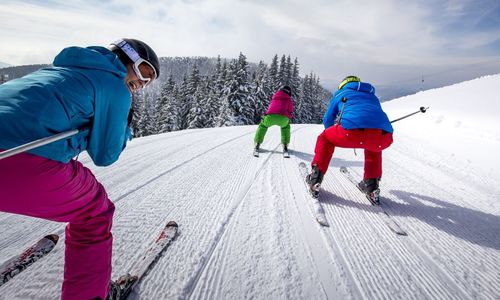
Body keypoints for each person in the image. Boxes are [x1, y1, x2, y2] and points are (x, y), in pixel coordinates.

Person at [0, 38, 160, 299]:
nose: (142, 84)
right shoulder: (114, 85)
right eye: (144, 72)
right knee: (94, 212)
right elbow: (105, 155)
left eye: (149, 82)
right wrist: (123, 126)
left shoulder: (56, 70)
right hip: (19, 159)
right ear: (125, 57)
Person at [306, 76, 393, 199]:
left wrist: (334, 131)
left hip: (351, 132)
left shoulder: (340, 93)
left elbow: (327, 119)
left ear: (343, 85)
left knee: (325, 137)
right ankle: (371, 185)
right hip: (384, 137)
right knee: (373, 146)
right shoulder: (373, 96)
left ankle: (315, 178)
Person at [254, 85, 294, 153]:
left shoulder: (274, 97)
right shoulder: (289, 100)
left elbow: (271, 108)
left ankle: (257, 143)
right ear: (289, 93)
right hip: (283, 118)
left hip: (270, 117)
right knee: (285, 127)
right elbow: (290, 111)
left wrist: (266, 115)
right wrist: (288, 117)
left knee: (263, 126)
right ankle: (285, 145)